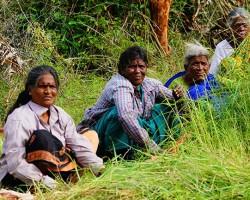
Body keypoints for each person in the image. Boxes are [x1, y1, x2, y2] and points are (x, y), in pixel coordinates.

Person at [0, 65, 104, 190]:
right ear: (30, 90)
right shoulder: (19, 117)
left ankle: (66, 179)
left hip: (54, 177)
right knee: (42, 137)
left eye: (52, 87)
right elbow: (15, 165)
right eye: (42, 86)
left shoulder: (61, 115)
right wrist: (52, 185)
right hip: (19, 179)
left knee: (88, 136)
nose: (48, 91)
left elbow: (78, 146)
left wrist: (100, 170)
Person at [77, 46, 186, 159]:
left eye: (141, 67)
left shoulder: (149, 83)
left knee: (165, 107)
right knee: (118, 114)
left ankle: (170, 142)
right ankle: (119, 154)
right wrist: (150, 146)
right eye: (132, 67)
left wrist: (178, 94)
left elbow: (173, 97)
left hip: (131, 129)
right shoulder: (120, 85)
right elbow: (126, 116)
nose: (137, 71)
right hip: (97, 135)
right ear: (122, 69)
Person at [209, 7, 249, 74]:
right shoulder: (222, 47)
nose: (242, 28)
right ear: (230, 27)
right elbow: (213, 73)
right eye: (237, 25)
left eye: (245, 25)